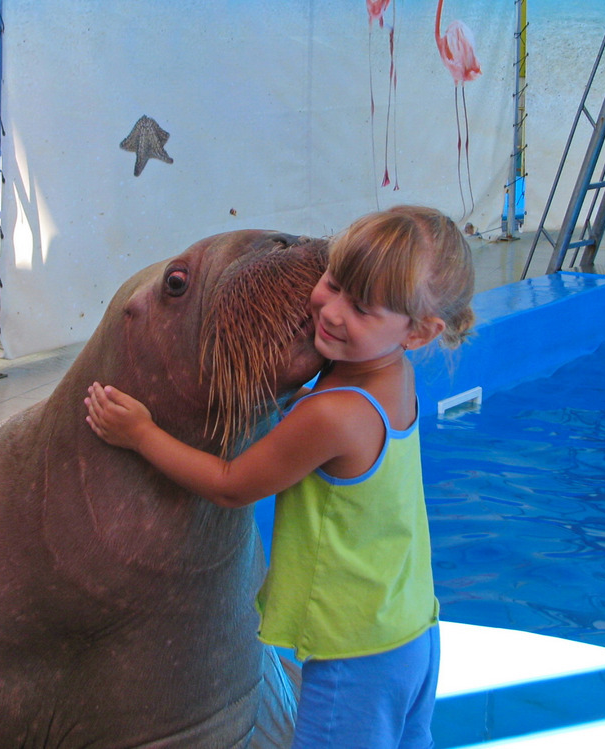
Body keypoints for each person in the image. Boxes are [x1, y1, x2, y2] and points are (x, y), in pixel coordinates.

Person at [85, 205, 475, 748]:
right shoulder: (395, 374)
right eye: (333, 283)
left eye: (360, 307)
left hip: (354, 652)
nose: (332, 313)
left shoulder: (332, 415)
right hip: (412, 631)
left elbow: (230, 484)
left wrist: (141, 434)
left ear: (418, 331)